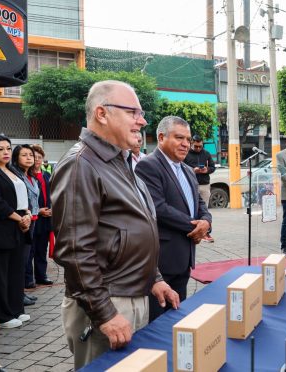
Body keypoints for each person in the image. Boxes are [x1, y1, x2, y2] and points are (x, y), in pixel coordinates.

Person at [52, 80, 180, 369]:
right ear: (102, 113)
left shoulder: (119, 160)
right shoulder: (81, 164)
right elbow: (75, 251)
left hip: (131, 295)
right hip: (107, 302)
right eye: (132, 112)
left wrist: (155, 278)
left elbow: (132, 228)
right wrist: (104, 313)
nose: (142, 120)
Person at [135, 116, 212, 322]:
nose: (186, 144)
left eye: (187, 139)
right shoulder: (148, 166)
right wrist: (196, 225)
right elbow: (158, 207)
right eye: (179, 138)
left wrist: (206, 221)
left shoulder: (187, 170)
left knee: (177, 319)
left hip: (184, 257)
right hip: (162, 262)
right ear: (161, 137)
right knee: (158, 324)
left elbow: (199, 204)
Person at [0, 134, 32, 329]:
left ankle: (15, 310)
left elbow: (23, 196)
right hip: (1, 228)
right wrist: (20, 218)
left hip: (18, 227)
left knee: (15, 271)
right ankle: (2, 316)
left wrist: (27, 214)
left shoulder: (12, 170)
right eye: (0, 149)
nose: (6, 152)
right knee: (0, 274)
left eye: (8, 149)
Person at [10, 144, 40, 307]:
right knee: (20, 258)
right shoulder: (15, 175)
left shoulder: (32, 176)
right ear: (16, 158)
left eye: (31, 155)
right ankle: (17, 294)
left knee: (26, 257)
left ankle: (21, 292)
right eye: (24, 155)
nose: (29, 158)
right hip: (22, 220)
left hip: (33, 219)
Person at [183, 134, 216, 243]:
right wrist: (193, 170)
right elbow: (181, 167)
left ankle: (205, 232)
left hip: (204, 184)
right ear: (191, 143)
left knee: (204, 209)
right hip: (190, 184)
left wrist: (206, 170)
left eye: (200, 146)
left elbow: (213, 167)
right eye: (196, 146)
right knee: (190, 208)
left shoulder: (206, 153)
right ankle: (193, 230)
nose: (198, 148)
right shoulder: (186, 153)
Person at [28, 144, 53, 289]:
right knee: (31, 249)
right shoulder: (27, 175)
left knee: (42, 248)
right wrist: (39, 210)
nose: (37, 160)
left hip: (46, 217)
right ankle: (28, 279)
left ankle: (41, 276)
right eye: (34, 157)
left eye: (39, 157)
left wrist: (51, 209)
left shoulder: (46, 175)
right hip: (33, 217)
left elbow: (52, 194)